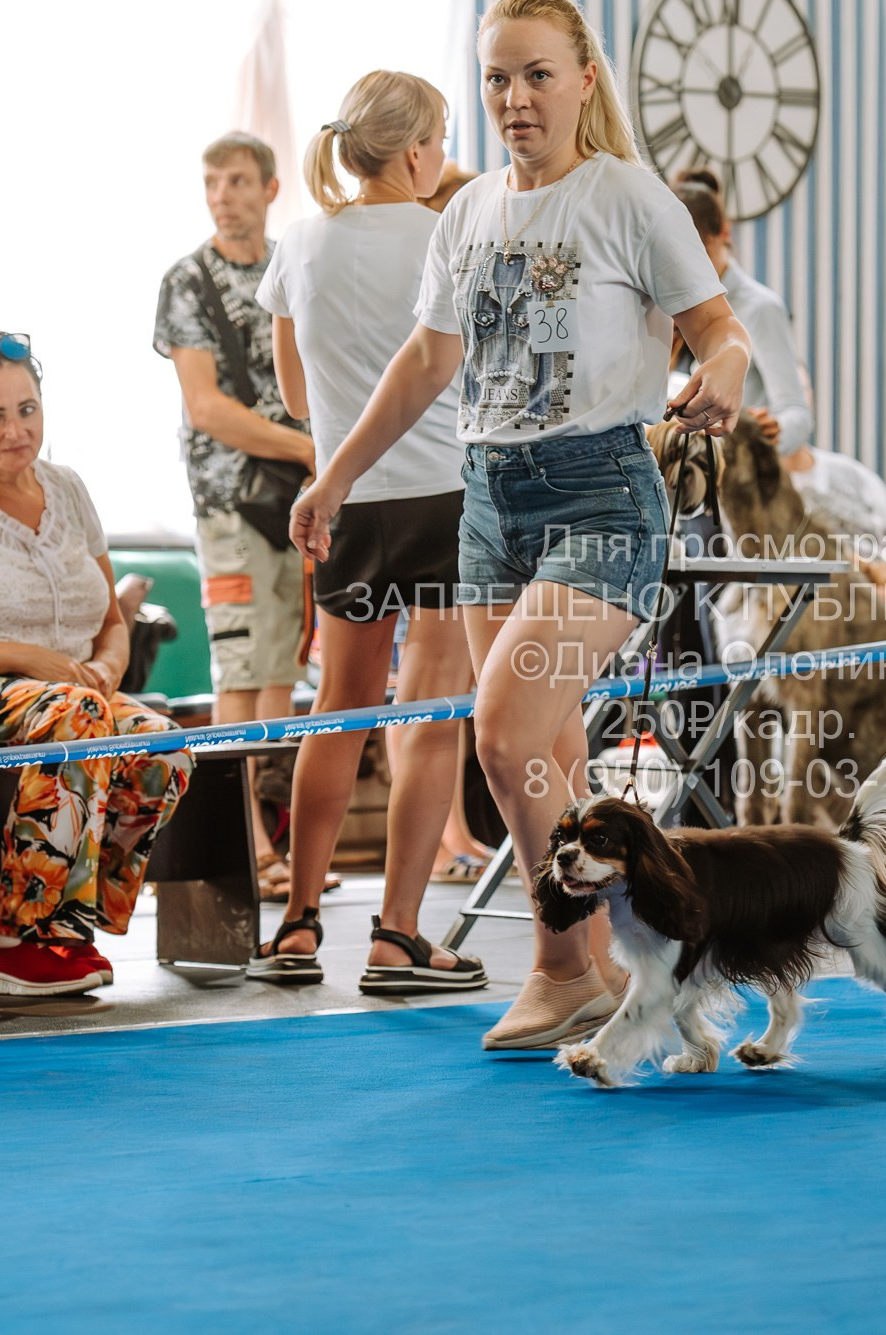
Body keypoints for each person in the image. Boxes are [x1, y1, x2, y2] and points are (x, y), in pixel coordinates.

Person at [290, 0, 751, 1049]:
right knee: (548, 750)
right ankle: (605, 964)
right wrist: (334, 478)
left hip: (600, 492)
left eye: (536, 75)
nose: (514, 99)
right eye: (497, 79)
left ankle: (555, 960)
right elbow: (425, 364)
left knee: (498, 734)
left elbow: (717, 330)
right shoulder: (465, 212)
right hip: (489, 499)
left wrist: (719, 373)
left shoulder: (628, 197)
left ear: (584, 78)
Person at [250, 70, 485, 993]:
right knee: (430, 715)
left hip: (346, 500)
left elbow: (297, 396)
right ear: (421, 150)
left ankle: (301, 923)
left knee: (339, 710)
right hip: (446, 495)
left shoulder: (299, 244)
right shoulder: (451, 234)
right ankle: (396, 935)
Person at [0, 331, 194, 996]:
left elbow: (108, 616)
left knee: (167, 747)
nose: (18, 430)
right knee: (78, 715)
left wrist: (108, 658)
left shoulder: (68, 488)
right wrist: (31, 659)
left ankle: (71, 919)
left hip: (73, 694)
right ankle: (15, 939)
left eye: (28, 409)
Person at [154, 133, 314, 891]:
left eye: (239, 179)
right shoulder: (188, 280)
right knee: (241, 669)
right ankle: (246, 847)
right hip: (229, 503)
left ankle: (274, 841)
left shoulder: (293, 265)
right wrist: (308, 450)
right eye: (213, 179)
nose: (223, 192)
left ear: (271, 187)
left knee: (280, 667)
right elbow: (206, 406)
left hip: (294, 501)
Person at [668, 167, 814, 455]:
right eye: (678, 260)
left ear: (724, 232)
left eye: (702, 256)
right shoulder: (665, 307)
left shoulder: (759, 309)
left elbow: (797, 415)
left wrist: (763, 436)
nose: (691, 273)